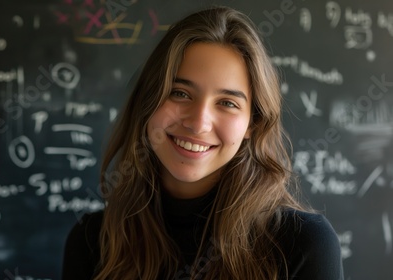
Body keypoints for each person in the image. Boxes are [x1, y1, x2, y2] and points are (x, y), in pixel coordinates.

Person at [62, 6, 344, 280]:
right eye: (180, 93)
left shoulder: (303, 245)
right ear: (147, 101)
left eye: (227, 103)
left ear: (252, 124)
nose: (198, 123)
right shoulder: (93, 241)